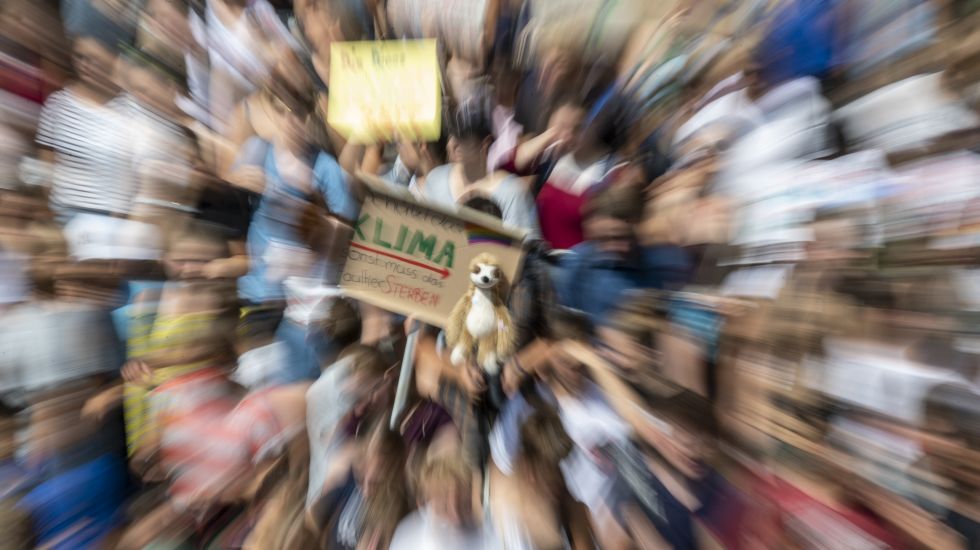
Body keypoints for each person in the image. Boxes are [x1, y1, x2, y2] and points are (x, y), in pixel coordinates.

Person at [34, 27, 136, 222]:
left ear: (113, 59)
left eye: (93, 59)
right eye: (80, 57)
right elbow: (47, 163)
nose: (85, 65)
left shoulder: (132, 107)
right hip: (66, 214)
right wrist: (50, 205)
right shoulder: (58, 104)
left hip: (116, 218)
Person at [554, 183, 691, 325]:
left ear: (640, 225)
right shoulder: (577, 264)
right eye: (603, 239)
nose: (614, 247)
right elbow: (565, 325)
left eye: (623, 236)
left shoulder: (666, 265)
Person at [416, 101, 541, 237]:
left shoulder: (511, 193)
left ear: (485, 144)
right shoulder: (436, 179)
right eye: (452, 135)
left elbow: (526, 251)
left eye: (464, 138)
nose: (453, 144)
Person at [389, 452, 498, 550]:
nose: (456, 517)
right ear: (427, 502)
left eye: (463, 504)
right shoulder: (408, 538)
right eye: (444, 506)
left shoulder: (494, 528)